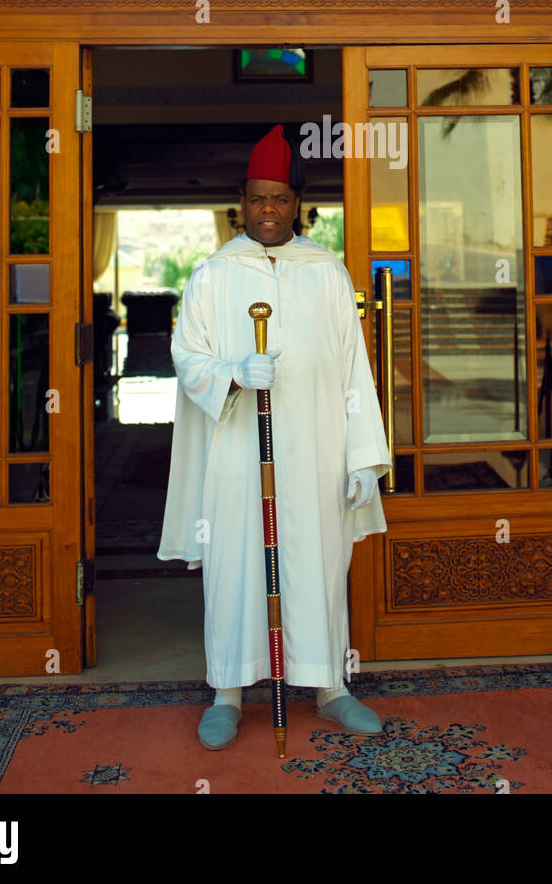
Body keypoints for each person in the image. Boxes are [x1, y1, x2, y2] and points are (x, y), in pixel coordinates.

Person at [158, 124, 391, 750]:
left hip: (317, 449)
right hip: (239, 454)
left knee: (318, 561)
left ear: (298, 205)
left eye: (280, 199)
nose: (267, 210)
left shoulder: (328, 273)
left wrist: (365, 455)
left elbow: (353, 369)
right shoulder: (213, 275)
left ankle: (331, 688)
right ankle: (228, 692)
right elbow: (185, 356)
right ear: (241, 201)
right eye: (257, 198)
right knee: (237, 564)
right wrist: (232, 373)